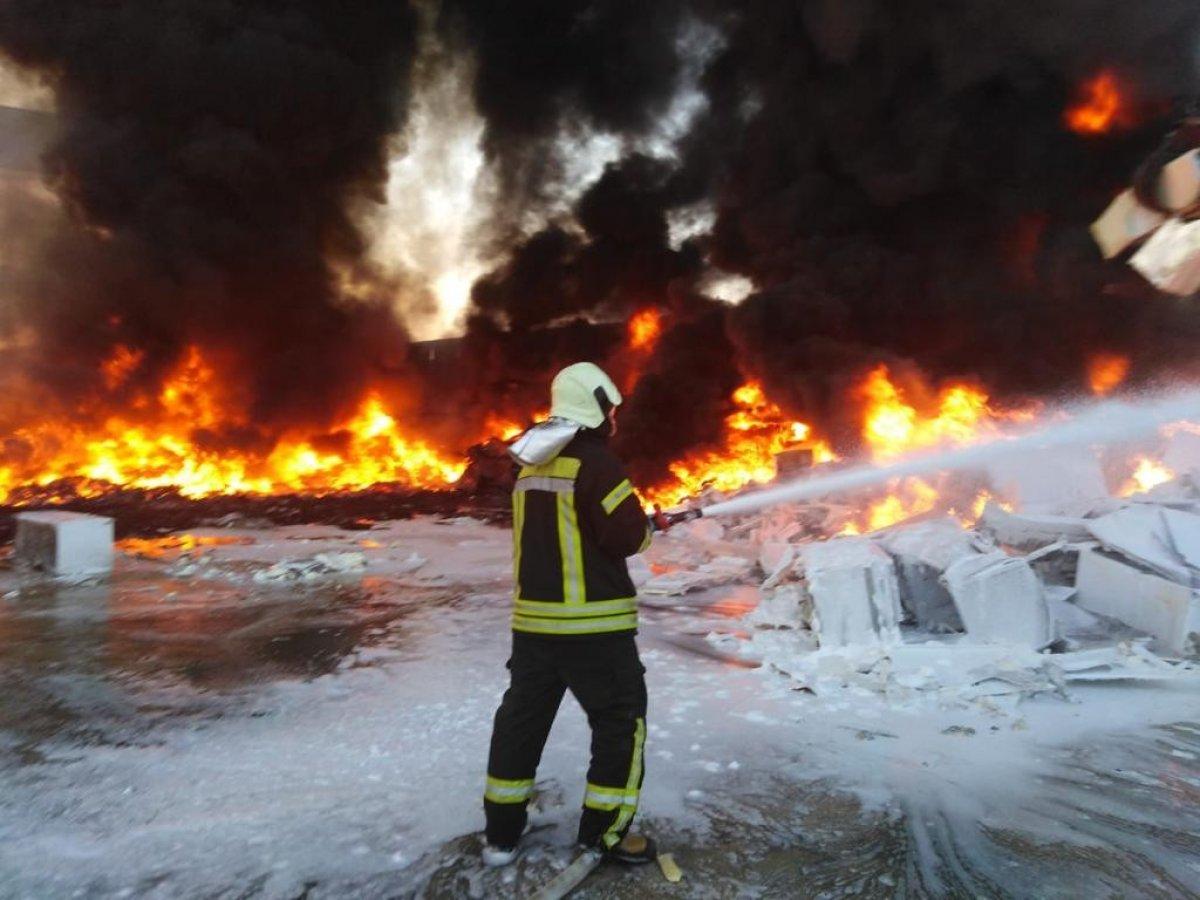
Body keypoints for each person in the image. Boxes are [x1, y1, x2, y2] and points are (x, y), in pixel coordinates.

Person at [481, 362, 669, 867]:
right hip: (594, 630)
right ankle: (605, 836)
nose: (613, 420)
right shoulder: (597, 465)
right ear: (596, 406)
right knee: (619, 725)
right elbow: (627, 536)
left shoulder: (532, 462)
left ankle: (500, 836)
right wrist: (649, 525)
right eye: (610, 409)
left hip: (534, 629)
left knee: (521, 724)